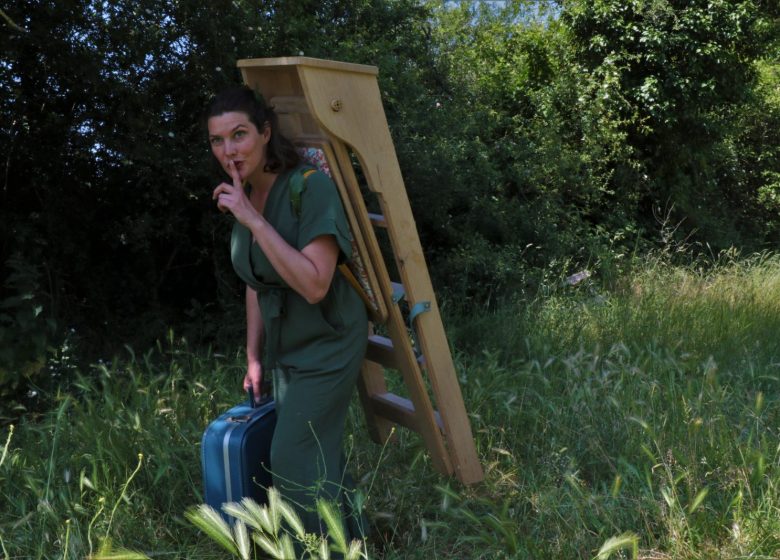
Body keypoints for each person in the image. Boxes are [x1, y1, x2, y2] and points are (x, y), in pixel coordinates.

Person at [205, 85, 368, 540]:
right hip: (285, 347)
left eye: (239, 135)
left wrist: (253, 221)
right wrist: (255, 356)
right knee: (319, 451)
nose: (228, 150)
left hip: (329, 339)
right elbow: (256, 281)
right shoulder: (246, 193)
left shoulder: (308, 189)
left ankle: (319, 551)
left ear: (265, 133)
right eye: (218, 140)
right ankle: (353, 542)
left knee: (293, 459)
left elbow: (316, 284)